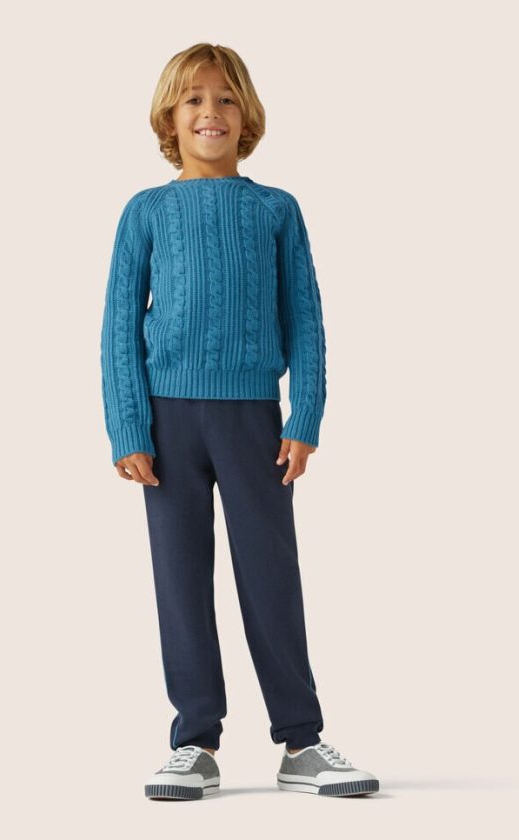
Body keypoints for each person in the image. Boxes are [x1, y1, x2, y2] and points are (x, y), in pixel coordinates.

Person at [100, 42, 379, 800]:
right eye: (193, 99)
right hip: (167, 423)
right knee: (180, 579)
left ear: (246, 113)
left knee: (270, 574)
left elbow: (306, 318)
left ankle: (301, 741)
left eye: (225, 98)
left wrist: (306, 413)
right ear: (169, 117)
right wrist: (128, 429)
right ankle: (195, 740)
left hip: (255, 418)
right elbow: (118, 326)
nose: (210, 112)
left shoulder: (275, 209)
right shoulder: (146, 212)